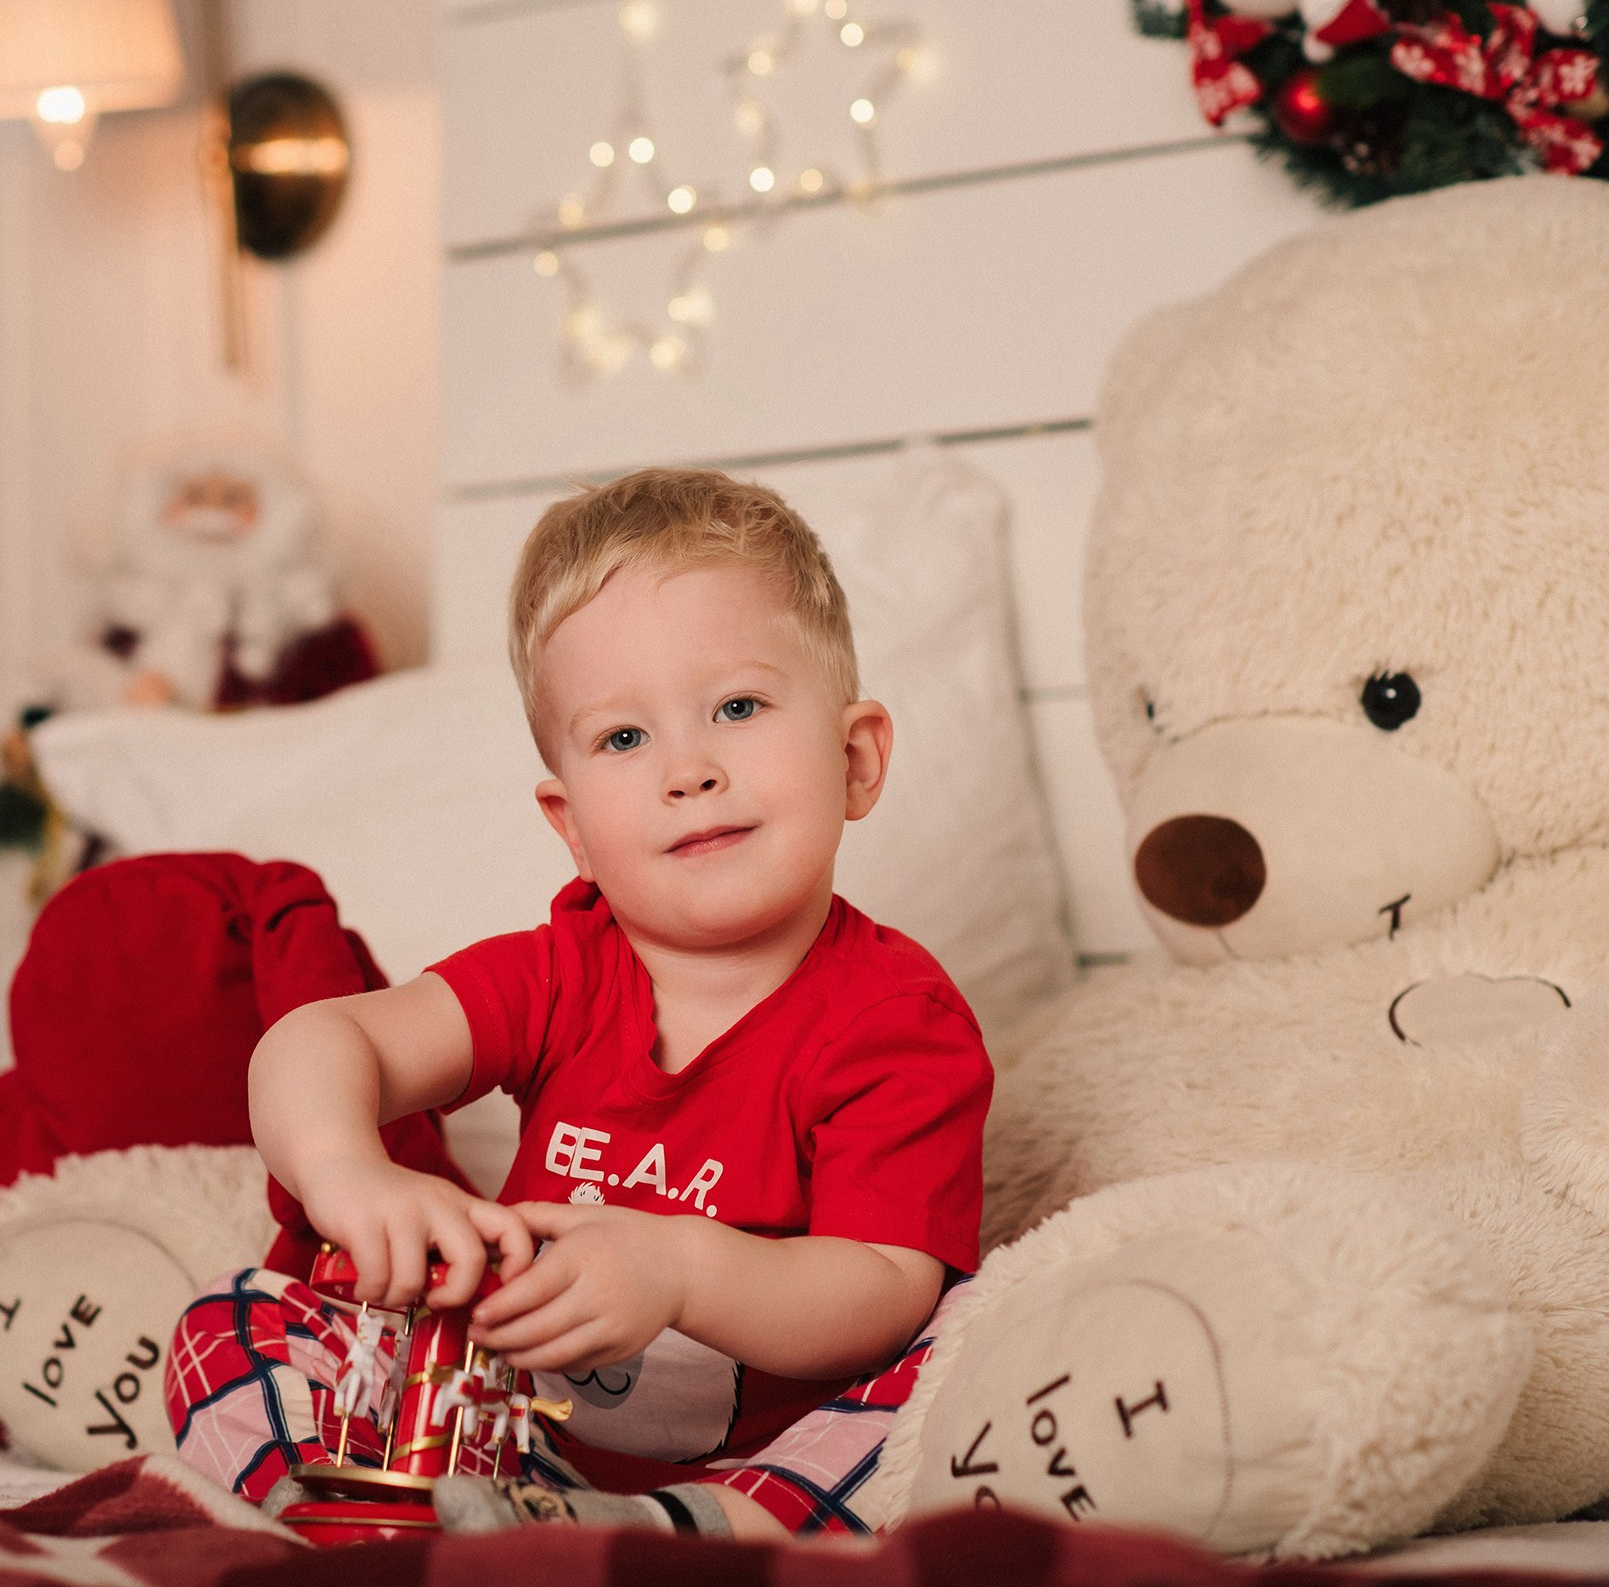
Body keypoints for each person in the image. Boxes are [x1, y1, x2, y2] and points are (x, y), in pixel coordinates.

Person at [163, 469, 992, 1540]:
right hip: (502, 1430)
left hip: (760, 1460)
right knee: (233, 1317)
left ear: (855, 756)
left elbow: (878, 1287)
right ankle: (344, 1520)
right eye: (622, 739)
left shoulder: (897, 1017)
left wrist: (678, 1265)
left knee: (953, 1359)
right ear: (571, 824)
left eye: (736, 707)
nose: (687, 769)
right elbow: (324, 1037)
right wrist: (345, 1171)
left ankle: (675, 1536)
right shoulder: (562, 970)